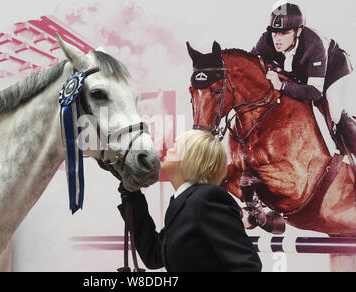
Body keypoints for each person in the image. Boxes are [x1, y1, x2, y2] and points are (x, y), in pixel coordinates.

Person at [117, 130, 262, 272]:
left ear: (189, 158)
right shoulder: (184, 202)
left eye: (175, 147)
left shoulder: (207, 198)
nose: (168, 150)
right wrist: (133, 197)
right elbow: (154, 255)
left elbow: (247, 265)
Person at [251, 3, 355, 156]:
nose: (277, 39)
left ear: (298, 31)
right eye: (274, 33)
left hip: (335, 70)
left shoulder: (315, 44)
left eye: (284, 33)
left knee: (334, 110)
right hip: (305, 74)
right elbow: (249, 64)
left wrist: (282, 86)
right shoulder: (266, 40)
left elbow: (315, 93)